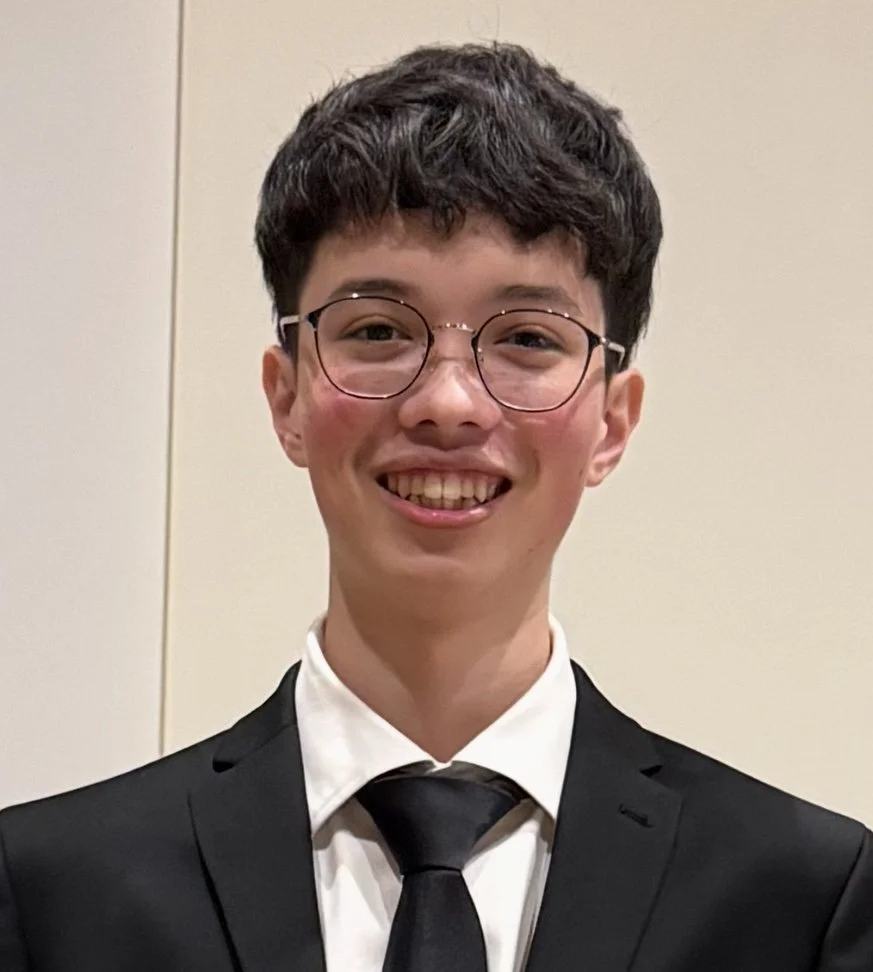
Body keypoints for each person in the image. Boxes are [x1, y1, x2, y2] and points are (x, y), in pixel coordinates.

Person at [1, 41, 871, 972]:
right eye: (378, 329)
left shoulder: (799, 902)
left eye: (527, 338)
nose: (448, 403)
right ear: (286, 396)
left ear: (612, 421)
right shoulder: (50, 895)